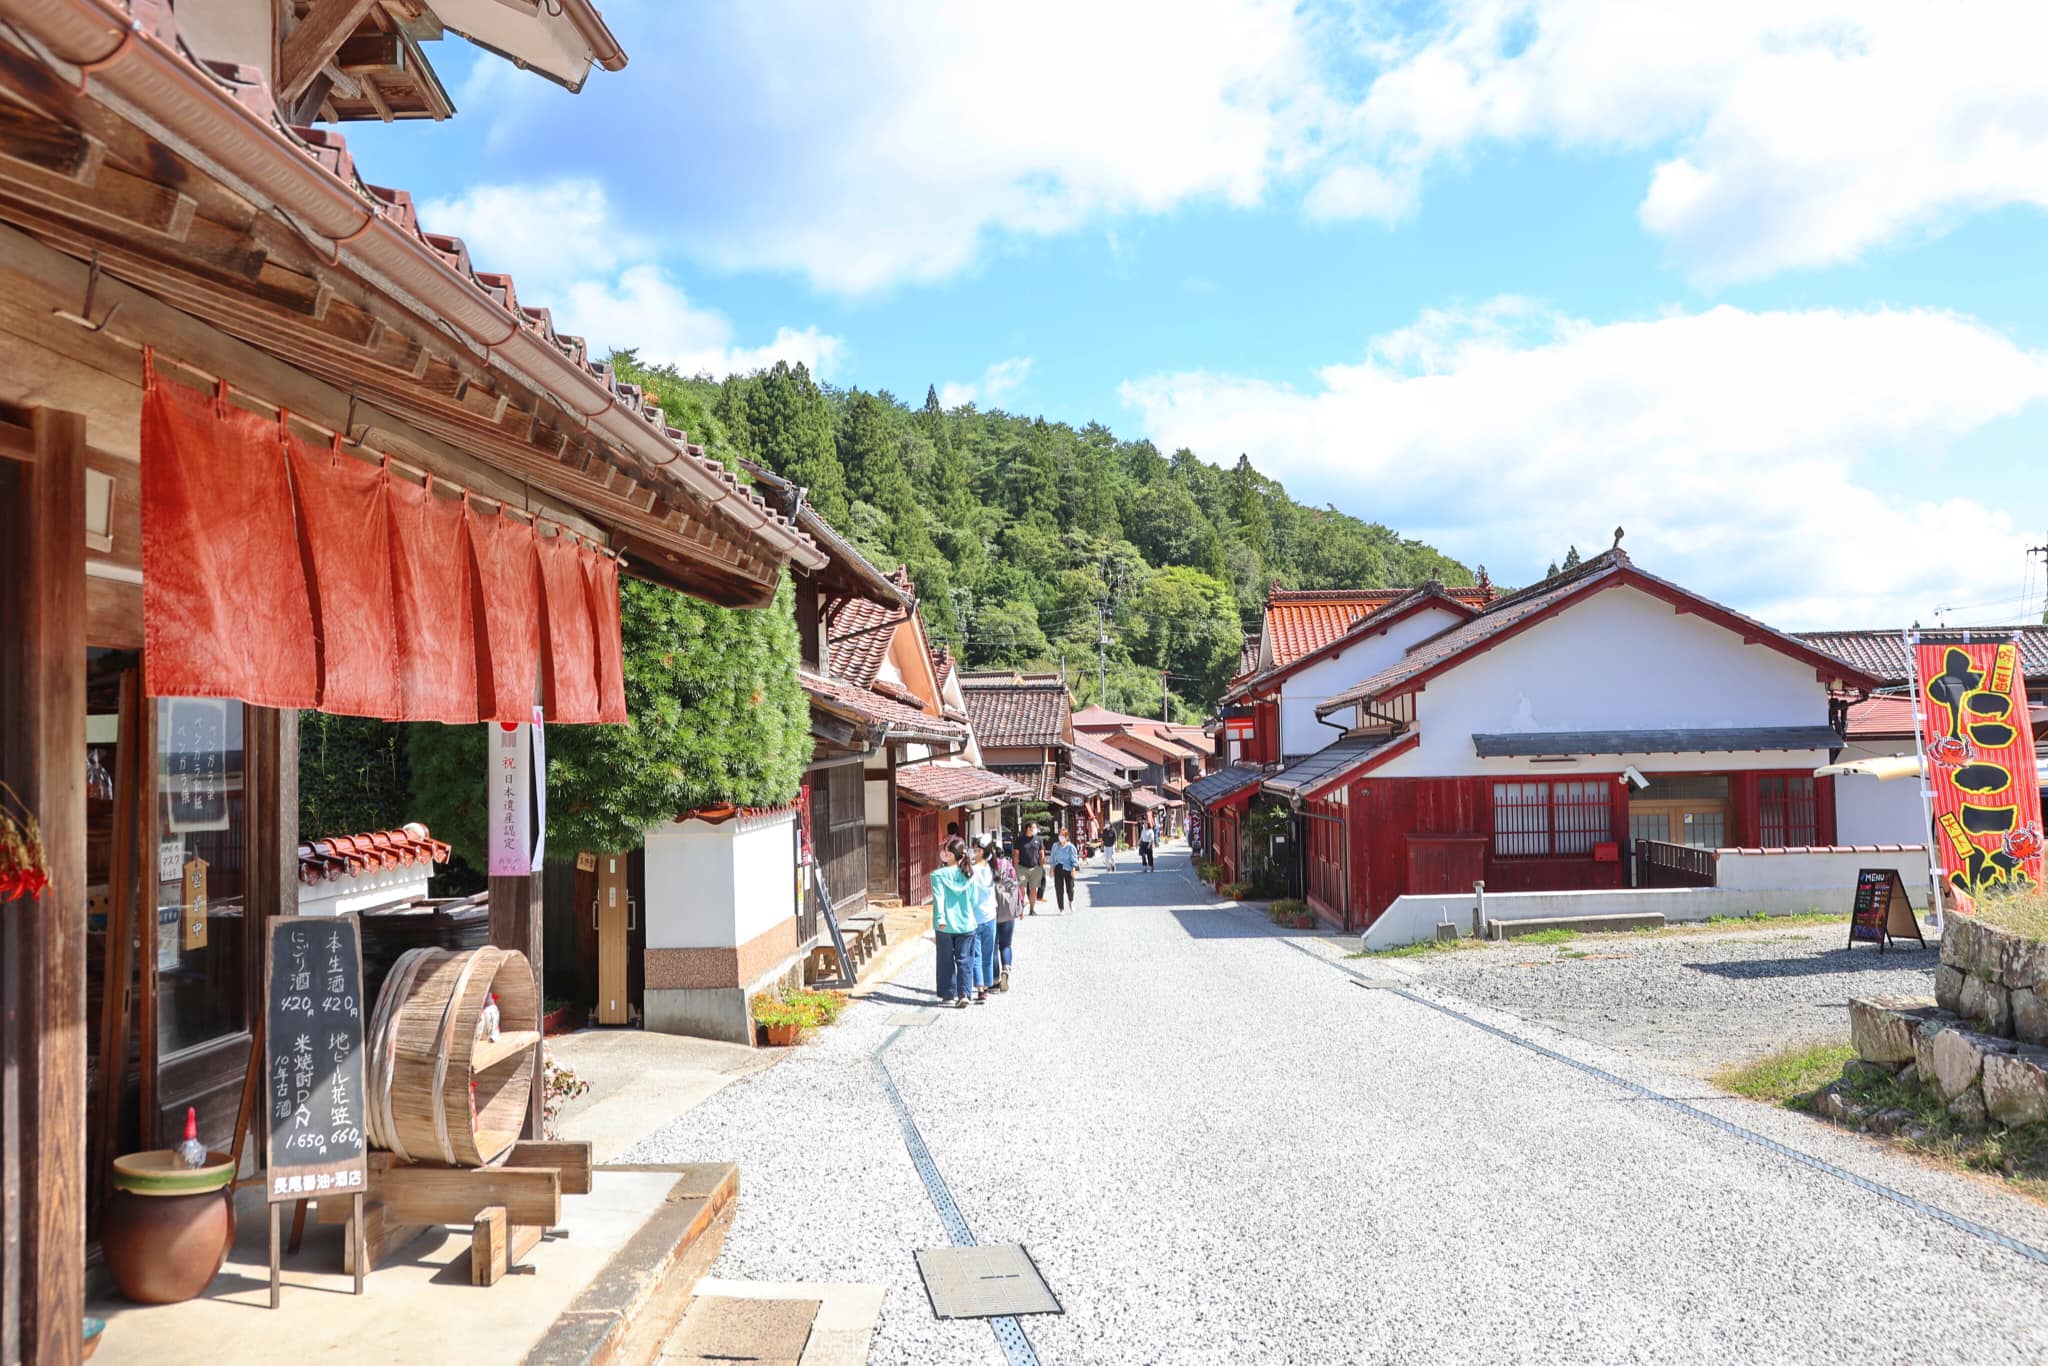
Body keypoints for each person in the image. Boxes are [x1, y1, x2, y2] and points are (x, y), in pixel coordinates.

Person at [930, 838, 978, 1009]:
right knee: (965, 959)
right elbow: (974, 899)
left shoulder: (937, 875)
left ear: (949, 854)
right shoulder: (969, 874)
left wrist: (940, 918)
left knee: (945, 959)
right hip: (966, 922)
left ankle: (948, 993)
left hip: (945, 925)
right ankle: (964, 993)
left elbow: (939, 898)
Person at [967, 839, 998, 1004]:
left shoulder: (972, 870)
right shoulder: (992, 869)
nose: (974, 852)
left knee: (977, 954)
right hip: (990, 916)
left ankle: (980, 988)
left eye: (976, 850)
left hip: (976, 917)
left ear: (982, 852)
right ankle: (985, 986)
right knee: (987, 954)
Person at [990, 839, 1020, 991]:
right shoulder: (1008, 866)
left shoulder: (986, 867)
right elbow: (1015, 885)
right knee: (1006, 944)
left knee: (993, 947)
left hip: (991, 911)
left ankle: (995, 980)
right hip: (1008, 909)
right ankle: (1006, 969)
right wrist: (1019, 906)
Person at [1015, 820, 1046, 914]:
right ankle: (1021, 909)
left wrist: (1041, 866)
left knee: (1033, 889)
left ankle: (1032, 909)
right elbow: (1016, 854)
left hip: (1035, 867)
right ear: (1028, 828)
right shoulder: (1020, 839)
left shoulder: (1038, 839)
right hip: (1022, 867)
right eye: (1033, 827)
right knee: (1021, 888)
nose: (1035, 829)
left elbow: (1042, 853)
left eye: (1035, 827)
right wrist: (1015, 867)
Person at [1049, 827, 1079, 912]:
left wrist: (1073, 869)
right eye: (1059, 835)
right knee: (1059, 888)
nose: (1060, 837)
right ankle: (1061, 908)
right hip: (1058, 867)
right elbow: (1053, 858)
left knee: (1070, 887)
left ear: (1066, 837)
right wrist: (1051, 868)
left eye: (1063, 836)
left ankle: (1071, 901)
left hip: (1068, 867)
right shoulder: (1055, 846)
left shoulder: (1070, 847)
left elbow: (1074, 859)